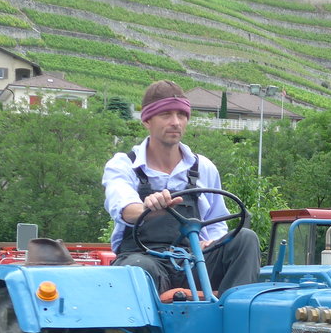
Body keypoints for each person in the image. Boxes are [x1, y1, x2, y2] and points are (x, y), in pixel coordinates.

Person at [102, 80, 260, 296]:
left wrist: (210, 242)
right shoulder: (123, 164)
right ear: (147, 120)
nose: (175, 122)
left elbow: (217, 222)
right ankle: (147, 329)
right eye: (166, 115)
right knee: (137, 268)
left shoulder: (203, 167)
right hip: (145, 259)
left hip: (192, 261)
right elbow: (126, 209)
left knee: (245, 238)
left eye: (181, 115)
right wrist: (149, 209)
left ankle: (238, 315)